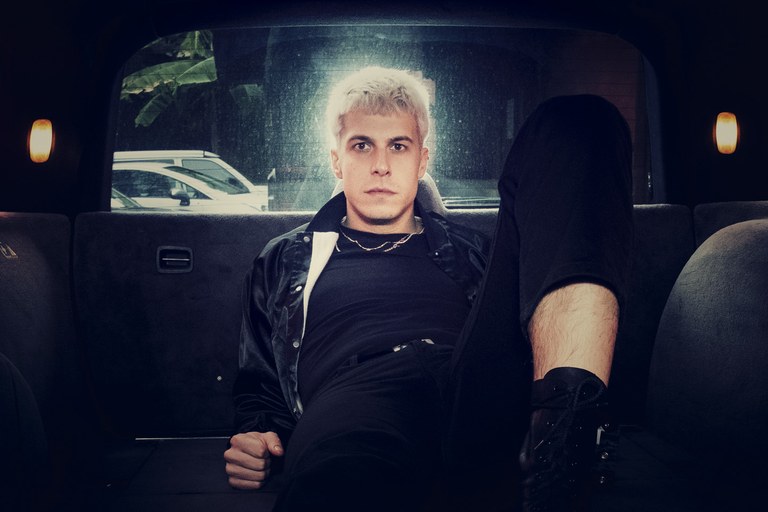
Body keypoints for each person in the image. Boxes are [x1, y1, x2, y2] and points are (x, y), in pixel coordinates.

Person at [224, 66, 633, 512]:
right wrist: (257, 434)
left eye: (398, 146)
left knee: (578, 119)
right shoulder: (283, 258)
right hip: (354, 395)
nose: (381, 165)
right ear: (336, 161)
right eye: (362, 145)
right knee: (335, 481)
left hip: (475, 381)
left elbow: (541, 322)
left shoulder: (474, 249)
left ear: (422, 161)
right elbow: (260, 380)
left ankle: (563, 437)